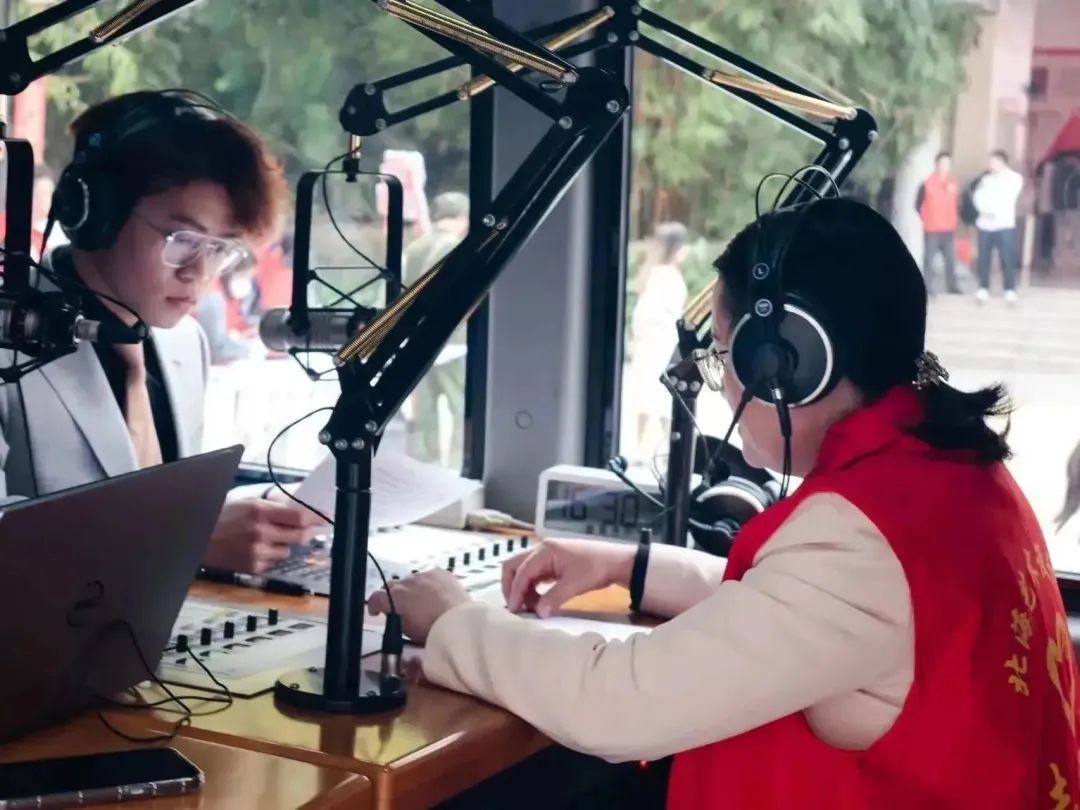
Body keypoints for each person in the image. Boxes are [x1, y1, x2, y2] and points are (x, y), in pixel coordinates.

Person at [370, 197, 1078, 808]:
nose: (723, 384)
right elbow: (797, 614)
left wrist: (455, 622)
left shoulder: (857, 543)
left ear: (784, 364)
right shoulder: (955, 473)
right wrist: (628, 567)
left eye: (723, 354)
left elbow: (617, 704)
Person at [0, 90, 324, 573]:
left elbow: (159, 507)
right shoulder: (7, 336)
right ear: (95, 213)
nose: (199, 273)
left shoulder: (184, 342)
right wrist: (183, 538)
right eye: (183, 239)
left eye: (221, 249)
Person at [401, 191, 470, 468]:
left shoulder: (414, 248)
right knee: (461, 407)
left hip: (417, 340)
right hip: (453, 340)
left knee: (424, 411)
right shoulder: (459, 247)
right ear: (463, 217)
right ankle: (459, 464)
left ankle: (422, 466)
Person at [624, 222, 690, 459]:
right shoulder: (668, 277)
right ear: (678, 249)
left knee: (647, 397)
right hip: (662, 344)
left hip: (649, 343)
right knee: (663, 398)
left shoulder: (653, 274)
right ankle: (672, 450)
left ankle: (641, 449)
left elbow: (641, 314)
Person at [973, 149, 1024, 303]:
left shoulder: (1014, 178)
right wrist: (984, 210)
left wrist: (992, 210)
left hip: (1004, 224)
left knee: (1007, 258)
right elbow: (978, 196)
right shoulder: (985, 179)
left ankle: (1009, 289)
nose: (991, 165)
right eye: (990, 162)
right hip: (985, 224)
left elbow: (1006, 198)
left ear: (1002, 162)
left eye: (994, 162)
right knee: (984, 258)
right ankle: (983, 288)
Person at [914, 151, 960, 294]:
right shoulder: (927, 183)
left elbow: (957, 204)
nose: (945, 166)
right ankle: (926, 287)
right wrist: (927, 218)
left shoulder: (953, 183)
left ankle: (952, 286)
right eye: (943, 163)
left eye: (948, 163)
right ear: (937, 164)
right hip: (932, 229)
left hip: (949, 228)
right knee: (929, 260)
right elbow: (917, 204)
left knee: (951, 260)